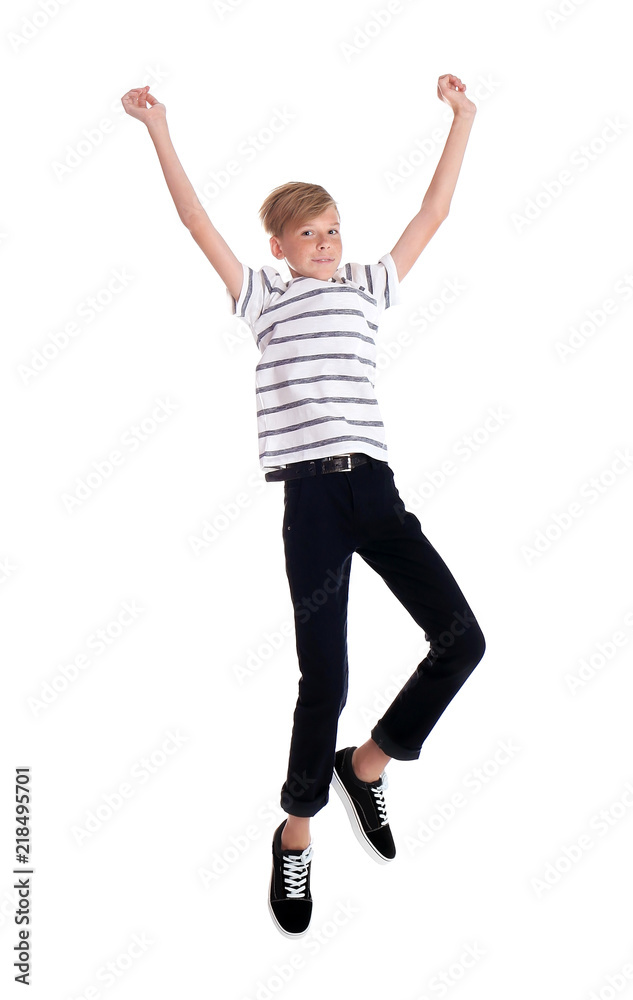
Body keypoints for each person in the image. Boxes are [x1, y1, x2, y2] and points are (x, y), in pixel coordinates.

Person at [121, 73, 486, 939]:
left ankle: (366, 766)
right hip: (313, 503)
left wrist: (463, 118)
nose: (325, 242)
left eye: (332, 229)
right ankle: (295, 831)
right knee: (325, 675)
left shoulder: (367, 285)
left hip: (376, 491)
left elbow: (431, 216)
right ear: (279, 248)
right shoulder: (264, 297)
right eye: (308, 233)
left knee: (462, 639)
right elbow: (196, 223)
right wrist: (159, 129)